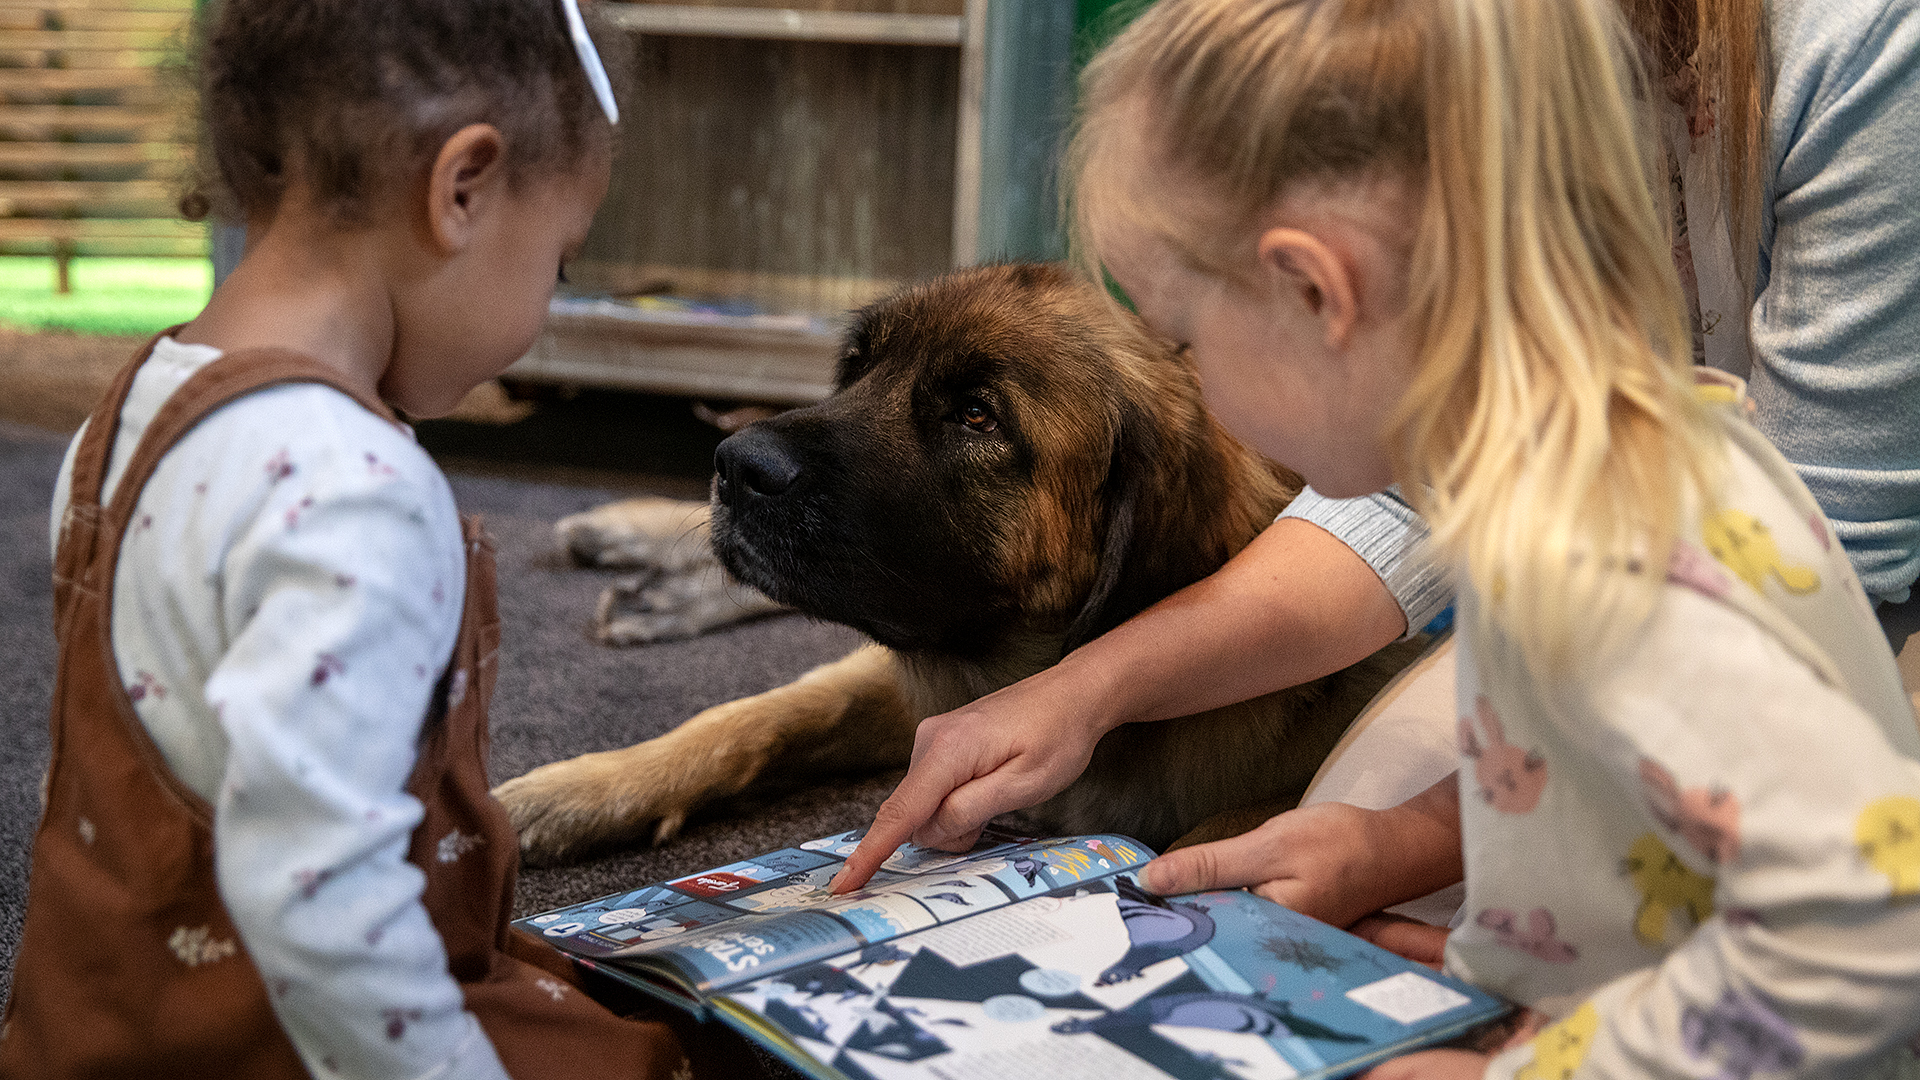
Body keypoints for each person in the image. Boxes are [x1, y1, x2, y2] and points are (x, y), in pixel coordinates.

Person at [871, 0, 1920, 1072]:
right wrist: (1399, 847)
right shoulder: (1588, 466)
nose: (1192, 380)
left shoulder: (1593, 555)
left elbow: (1877, 921)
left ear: (1318, 291)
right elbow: (1626, 775)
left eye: (1182, 336)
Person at [0, 3, 758, 1077]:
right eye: (557, 260)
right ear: (462, 191)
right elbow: (321, 900)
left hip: (94, 1021)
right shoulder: (357, 491)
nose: (546, 302)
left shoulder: (124, 418)